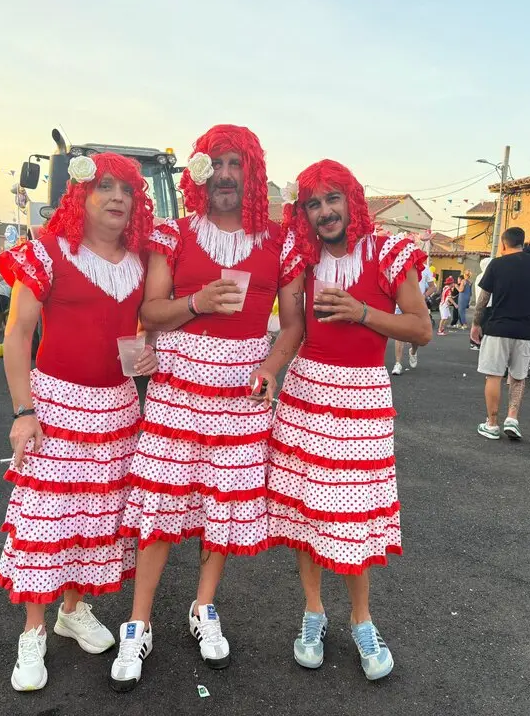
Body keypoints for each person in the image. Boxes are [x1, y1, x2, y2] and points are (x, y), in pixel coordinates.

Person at [109, 124, 306, 692]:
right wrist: (195, 302)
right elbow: (150, 310)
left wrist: (271, 367)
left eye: (234, 165)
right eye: (215, 164)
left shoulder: (278, 242)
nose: (224, 175)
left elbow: (292, 324)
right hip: (176, 393)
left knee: (221, 510)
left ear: (251, 174)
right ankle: (138, 621)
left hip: (242, 399)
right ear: (200, 172)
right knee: (159, 511)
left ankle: (203, 607)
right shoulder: (175, 234)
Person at [0, 153, 158, 692]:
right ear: (80, 195)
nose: (116, 198)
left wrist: (144, 358)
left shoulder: (141, 258)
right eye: (104, 187)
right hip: (56, 404)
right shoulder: (47, 250)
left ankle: (72, 609)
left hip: (116, 407)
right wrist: (23, 412)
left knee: (96, 519)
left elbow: (131, 333)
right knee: (47, 521)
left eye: (126, 191)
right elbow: (18, 334)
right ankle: (34, 631)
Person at [269, 160, 430, 680]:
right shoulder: (303, 257)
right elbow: (292, 328)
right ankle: (313, 612)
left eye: (332, 199)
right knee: (308, 515)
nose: (324, 212)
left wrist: (362, 312)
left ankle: (362, 619)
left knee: (353, 516)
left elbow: (421, 330)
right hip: (306, 394)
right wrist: (271, 368)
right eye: (313, 204)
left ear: (352, 201)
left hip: (361, 398)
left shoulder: (388, 253)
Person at [471, 227, 530, 441]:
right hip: (527, 330)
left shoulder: (497, 264)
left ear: (503, 244)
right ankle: (512, 419)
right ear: (523, 242)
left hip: (498, 327)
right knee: (518, 377)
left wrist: (476, 323)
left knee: (494, 375)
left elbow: (483, 298)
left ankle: (491, 423)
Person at [392, 264, 435, 374]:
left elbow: (432, 287)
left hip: (417, 306)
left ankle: (413, 351)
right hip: (400, 304)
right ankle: (398, 364)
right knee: (399, 334)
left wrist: (423, 296)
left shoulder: (425, 268)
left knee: (415, 335)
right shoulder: (399, 265)